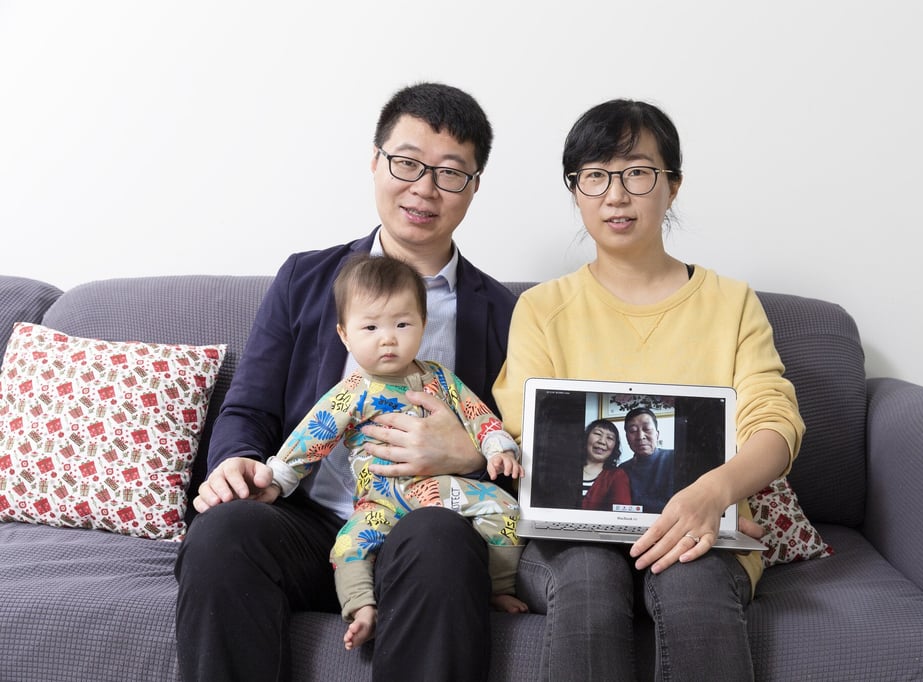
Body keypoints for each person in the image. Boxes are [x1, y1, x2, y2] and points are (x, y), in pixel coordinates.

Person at [175, 82, 517, 682]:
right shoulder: (305, 279)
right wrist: (237, 463)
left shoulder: (505, 312)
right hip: (307, 521)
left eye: (449, 173)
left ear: (474, 186)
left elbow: (525, 444)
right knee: (223, 531)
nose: (424, 188)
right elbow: (248, 408)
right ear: (376, 161)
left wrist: (470, 456)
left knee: (439, 539)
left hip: (429, 522)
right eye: (407, 162)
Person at [492, 98, 805, 680]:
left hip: (702, 532)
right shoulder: (540, 309)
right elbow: (525, 439)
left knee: (694, 580)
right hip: (571, 541)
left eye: (637, 173)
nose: (616, 195)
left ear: (673, 186)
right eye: (595, 176)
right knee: (590, 576)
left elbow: (774, 421)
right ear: (576, 190)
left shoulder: (731, 303)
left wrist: (717, 497)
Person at [265, 253, 526, 650]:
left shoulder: (440, 378)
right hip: (380, 502)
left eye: (402, 324)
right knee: (348, 545)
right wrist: (279, 477)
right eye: (370, 327)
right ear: (344, 335)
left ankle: (498, 587)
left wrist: (496, 447)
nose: (387, 338)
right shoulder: (352, 392)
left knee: (505, 509)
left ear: (423, 323)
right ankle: (360, 607)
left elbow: (478, 415)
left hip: (439, 493)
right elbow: (310, 439)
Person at [619, 407, 674, 512]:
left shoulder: (674, 458)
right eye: (633, 431)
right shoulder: (622, 470)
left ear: (657, 434)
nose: (640, 436)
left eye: (647, 428)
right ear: (627, 438)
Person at [580, 418, 631, 511]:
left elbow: (621, 514)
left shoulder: (617, 476)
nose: (602, 441)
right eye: (597, 434)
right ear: (586, 437)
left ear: (614, 447)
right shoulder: (566, 468)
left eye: (610, 438)